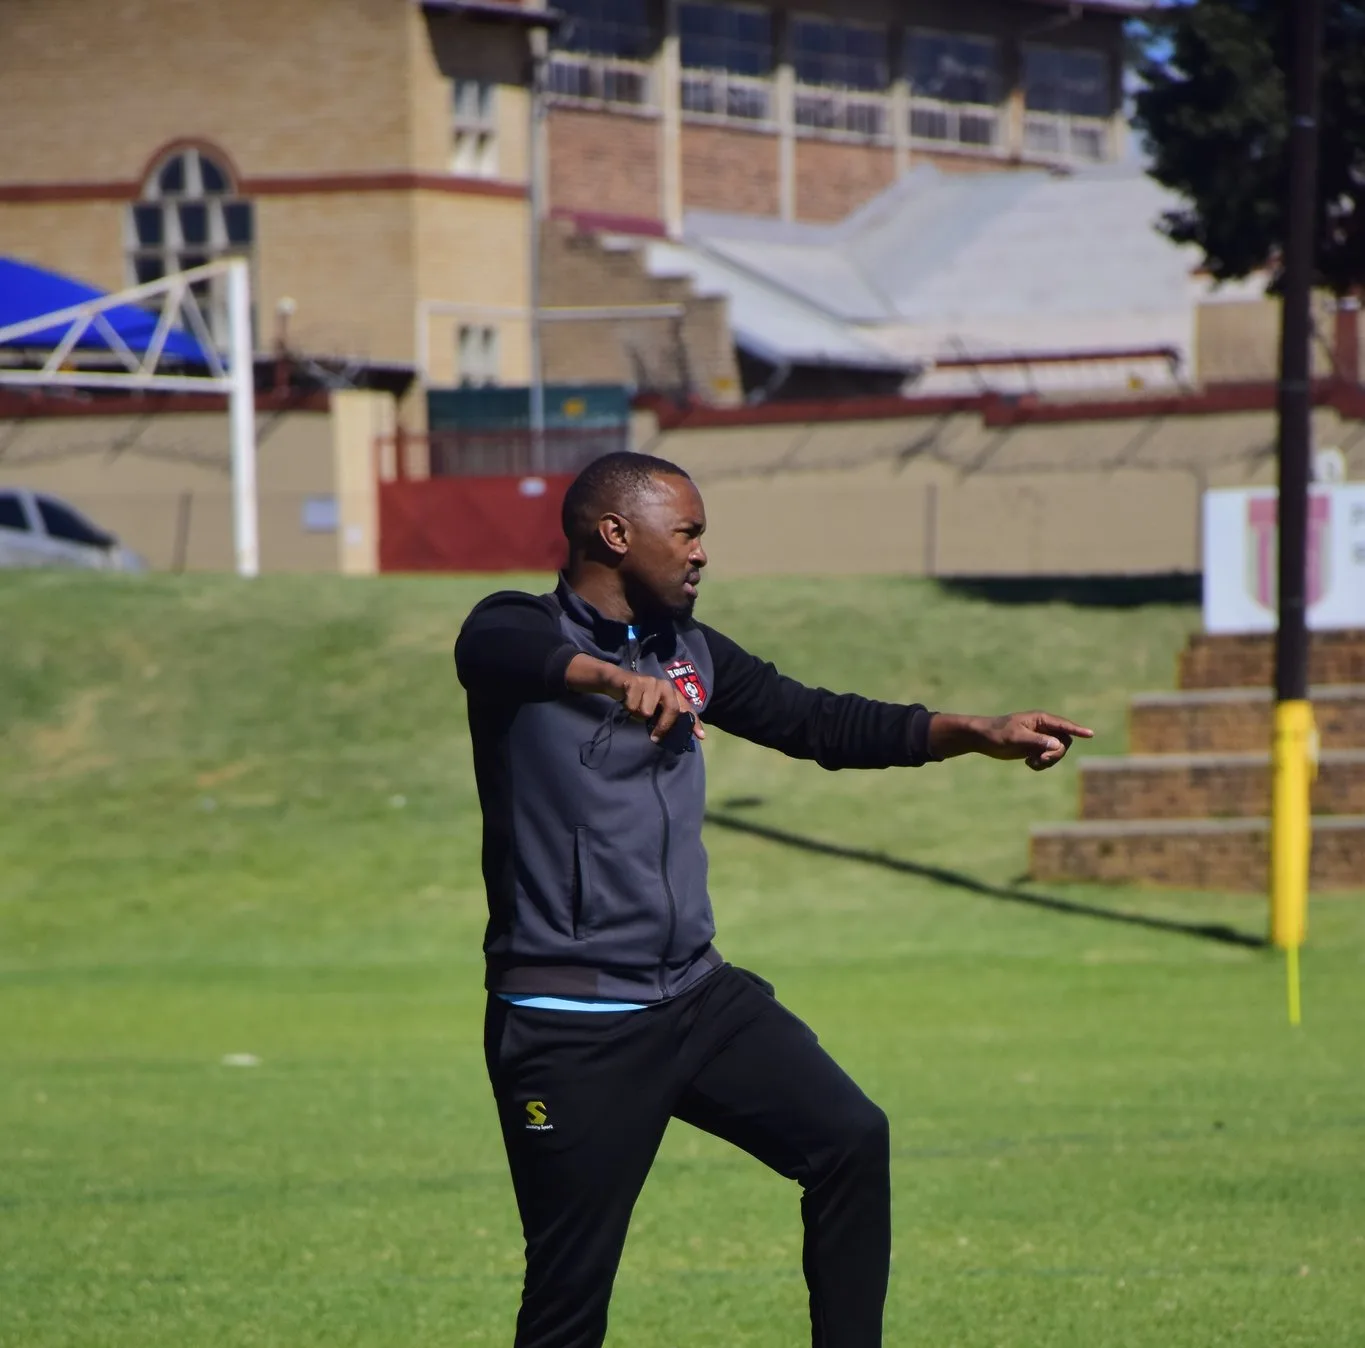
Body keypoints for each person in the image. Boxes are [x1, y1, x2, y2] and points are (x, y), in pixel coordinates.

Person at [453, 451, 1092, 1348]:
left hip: (694, 998)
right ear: (614, 533)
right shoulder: (517, 631)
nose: (702, 552)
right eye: (687, 531)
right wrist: (610, 680)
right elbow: (490, 649)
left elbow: (822, 722)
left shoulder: (692, 653)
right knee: (568, 1298)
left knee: (848, 1139)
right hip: (571, 1020)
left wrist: (972, 732)